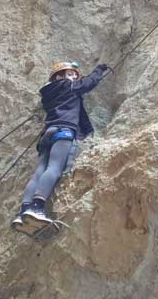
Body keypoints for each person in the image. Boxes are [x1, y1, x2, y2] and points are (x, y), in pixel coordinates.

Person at [12, 60, 109, 234]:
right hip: (64, 129)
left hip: (47, 133)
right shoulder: (68, 86)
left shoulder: (49, 93)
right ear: (60, 76)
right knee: (54, 168)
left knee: (40, 170)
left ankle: (23, 211)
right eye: (71, 74)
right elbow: (88, 83)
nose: (74, 77)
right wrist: (99, 69)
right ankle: (37, 207)